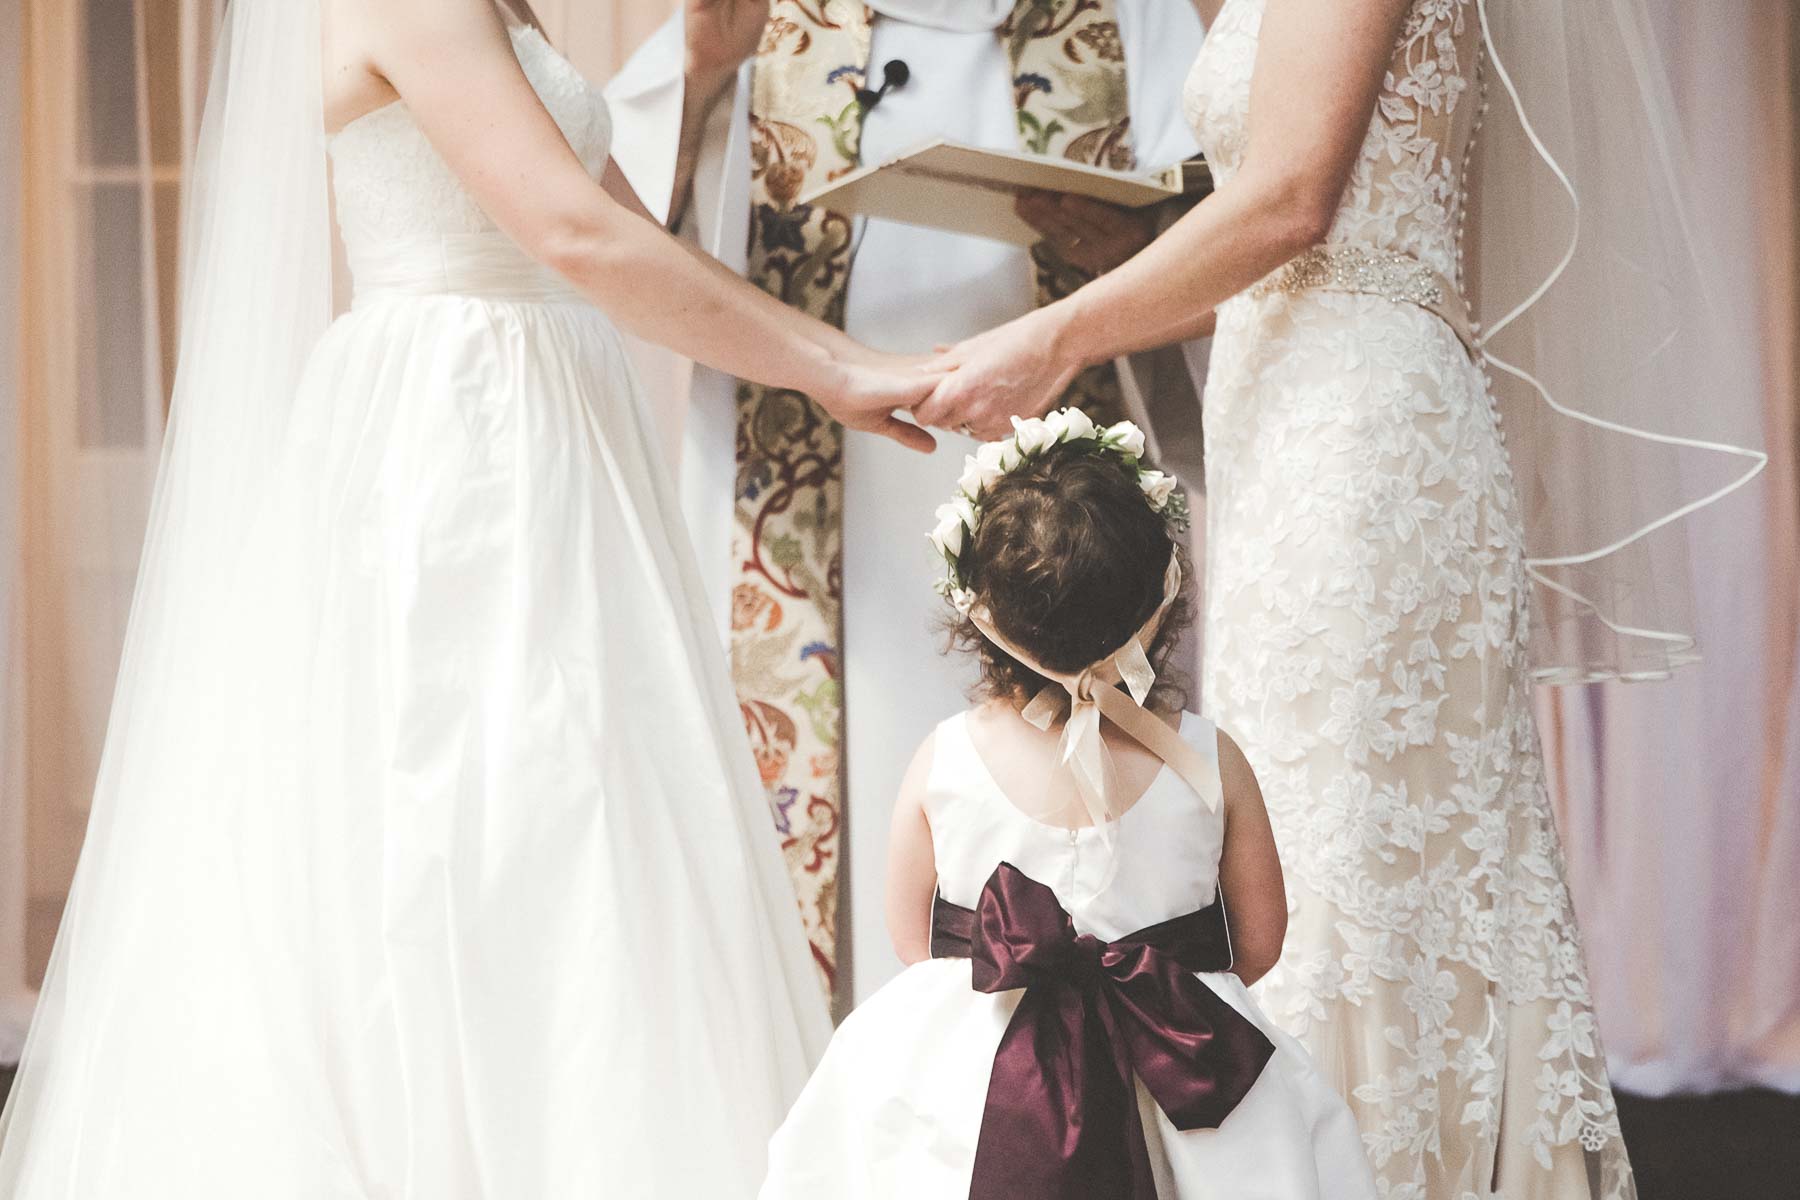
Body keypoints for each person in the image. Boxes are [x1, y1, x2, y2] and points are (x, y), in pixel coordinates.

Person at [0, 0, 936, 1194]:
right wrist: (840, 371)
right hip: (457, 437)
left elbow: (633, 233)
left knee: (593, 808)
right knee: (473, 810)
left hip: (557, 424)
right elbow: (575, 236)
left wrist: (825, 353)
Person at [906, 0, 1771, 1194]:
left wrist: (1053, 336)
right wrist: (1119, 258)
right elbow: (1288, 223)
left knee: (1352, 852)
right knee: (1300, 834)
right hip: (1286, 413)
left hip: (1363, 431)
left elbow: (1294, 201)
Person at [606, 0, 1211, 1006]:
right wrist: (708, 61)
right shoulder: (764, 16)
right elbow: (611, 221)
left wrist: (1132, 237)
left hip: (1058, 491)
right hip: (814, 487)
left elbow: (1227, 230)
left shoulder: (1122, 14)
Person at [761, 413, 1377, 1200]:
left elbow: (913, 939)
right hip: (1183, 1060)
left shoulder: (944, 757)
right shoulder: (1208, 757)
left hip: (980, 1066)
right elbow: (1259, 940)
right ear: (1165, 596)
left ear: (977, 612)